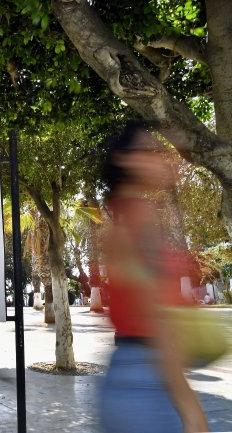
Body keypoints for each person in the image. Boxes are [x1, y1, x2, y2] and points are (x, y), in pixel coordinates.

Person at [99, 121, 209, 433]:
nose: (161, 158)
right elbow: (155, 316)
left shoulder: (125, 220)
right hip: (147, 380)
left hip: (132, 374)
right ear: (125, 160)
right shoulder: (137, 222)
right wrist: (189, 407)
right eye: (149, 151)